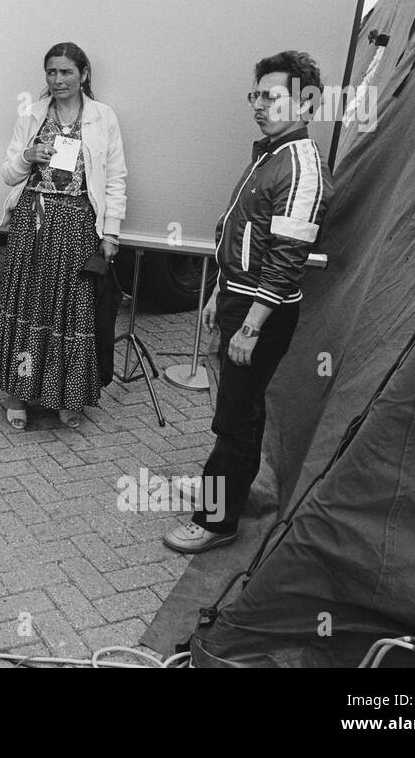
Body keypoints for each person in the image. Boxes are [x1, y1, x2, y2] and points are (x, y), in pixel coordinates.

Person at [164, 50, 333, 553]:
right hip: (240, 300)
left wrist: (252, 325)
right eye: (255, 95)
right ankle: (221, 489)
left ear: (305, 103)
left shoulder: (301, 166)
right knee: (235, 409)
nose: (259, 105)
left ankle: (217, 521)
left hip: (264, 311)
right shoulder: (269, 152)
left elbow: (286, 260)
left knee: (238, 417)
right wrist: (220, 290)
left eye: (271, 96)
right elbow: (240, 234)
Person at [0, 42, 128, 430]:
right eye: (51, 72)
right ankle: (17, 393)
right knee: (28, 309)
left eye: (66, 72)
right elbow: (7, 173)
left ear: (83, 74)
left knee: (72, 313)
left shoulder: (103, 117)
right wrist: (26, 158)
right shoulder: (33, 115)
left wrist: (112, 234)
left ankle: (66, 396)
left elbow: (116, 178)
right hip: (33, 222)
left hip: (78, 226)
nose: (58, 80)